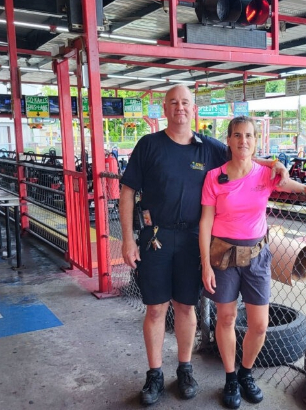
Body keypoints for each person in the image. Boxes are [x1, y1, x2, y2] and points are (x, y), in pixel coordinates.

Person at [118, 85, 288, 406]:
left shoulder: (207, 147)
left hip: (194, 240)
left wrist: (273, 164)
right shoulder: (148, 145)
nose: (179, 108)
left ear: (193, 109)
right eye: (173, 103)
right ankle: (154, 373)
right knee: (156, 309)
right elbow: (127, 191)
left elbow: (243, 153)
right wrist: (128, 238)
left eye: (185, 103)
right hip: (155, 238)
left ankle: (185, 369)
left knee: (185, 306)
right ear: (164, 108)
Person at [199, 116, 306, 409]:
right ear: (229, 141)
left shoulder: (264, 174)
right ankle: (230, 378)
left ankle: (246, 373)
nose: (243, 141)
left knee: (259, 326)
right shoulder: (214, 177)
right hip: (223, 256)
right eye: (237, 136)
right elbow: (206, 222)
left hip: (257, 256)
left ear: (255, 141)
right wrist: (205, 264)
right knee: (226, 319)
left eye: (248, 136)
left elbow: (295, 187)